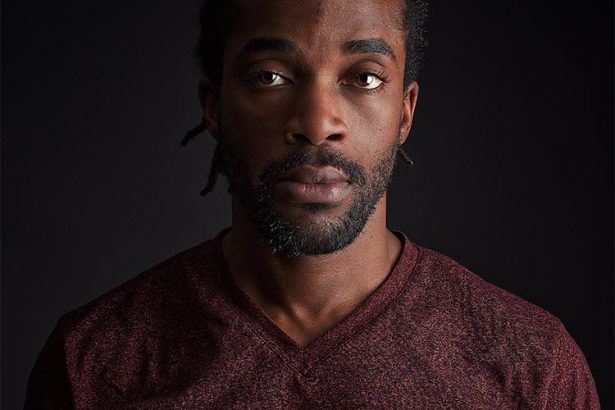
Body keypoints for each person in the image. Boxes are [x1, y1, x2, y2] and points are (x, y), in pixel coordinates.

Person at [25, 0, 601, 408]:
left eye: (365, 78)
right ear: (214, 106)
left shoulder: (531, 364)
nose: (318, 123)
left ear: (405, 112)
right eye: (270, 76)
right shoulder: (94, 360)